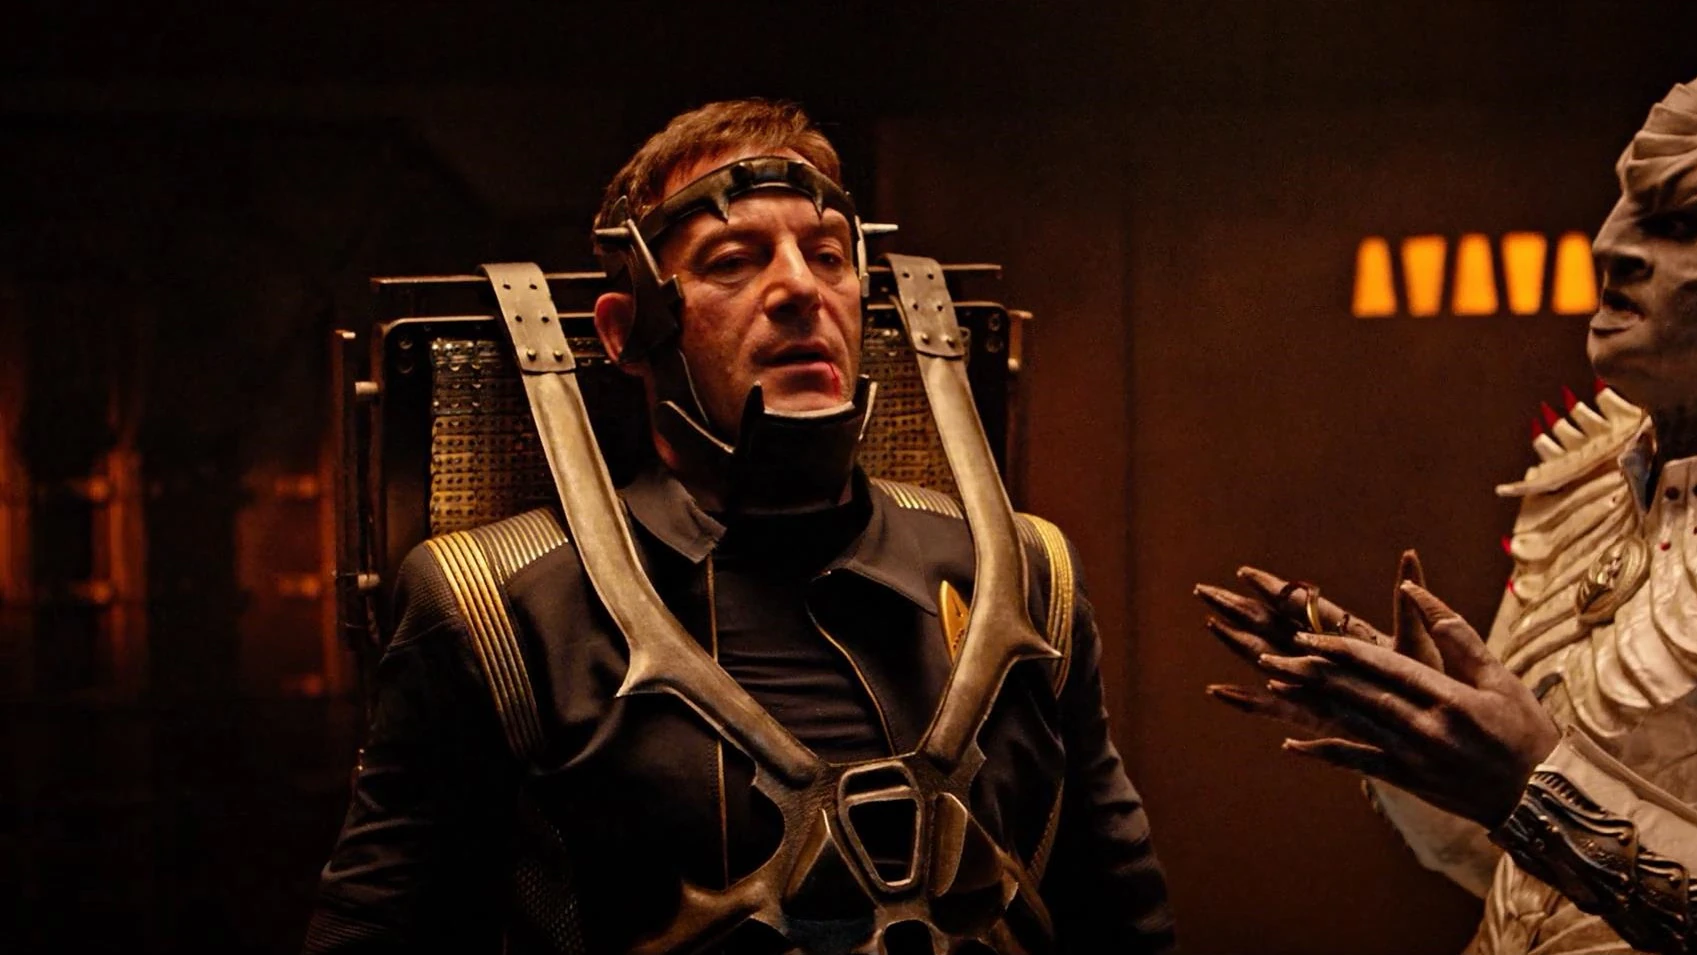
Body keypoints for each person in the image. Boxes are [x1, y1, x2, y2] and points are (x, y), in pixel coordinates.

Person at [305, 99, 1173, 954]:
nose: (800, 288)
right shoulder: (501, 613)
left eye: (827, 256)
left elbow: (1122, 917)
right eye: (732, 261)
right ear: (627, 329)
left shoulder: (1025, 580)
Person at [1201, 55, 1697, 954]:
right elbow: (1508, 867)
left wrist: (1528, 785)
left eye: (1682, 225)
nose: (1609, 246)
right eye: (1627, 203)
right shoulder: (1588, 478)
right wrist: (1405, 727)